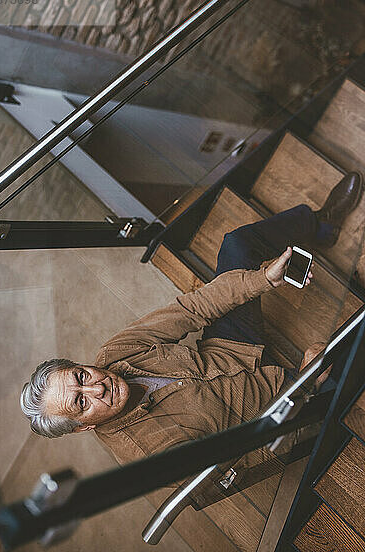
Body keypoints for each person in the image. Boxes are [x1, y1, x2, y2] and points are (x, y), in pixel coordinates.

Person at [21, 173, 363, 467]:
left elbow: (192, 309)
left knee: (236, 244)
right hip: (275, 402)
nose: (97, 386)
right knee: (341, 347)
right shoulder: (146, 455)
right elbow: (247, 458)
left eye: (81, 375)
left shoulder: (114, 353)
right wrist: (304, 386)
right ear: (83, 426)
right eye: (81, 401)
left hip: (231, 348)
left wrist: (263, 280)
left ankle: (322, 224)